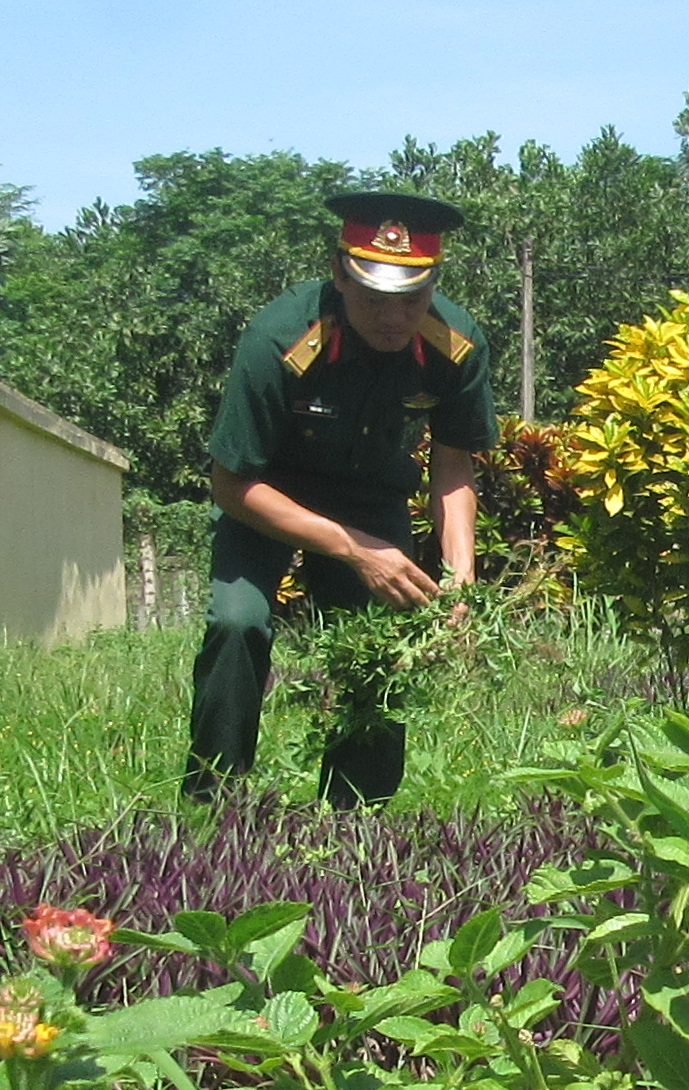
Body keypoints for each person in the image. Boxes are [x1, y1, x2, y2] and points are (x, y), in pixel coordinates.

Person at [185, 186, 488, 806]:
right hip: (268, 493)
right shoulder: (278, 339)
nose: (394, 318)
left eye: (412, 298)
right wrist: (354, 550)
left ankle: (356, 822)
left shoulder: (455, 345)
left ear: (433, 283)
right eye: (375, 298)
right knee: (238, 624)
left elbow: (454, 465)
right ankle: (213, 806)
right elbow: (229, 482)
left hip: (372, 495)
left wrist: (460, 574)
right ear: (339, 274)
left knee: (380, 639)